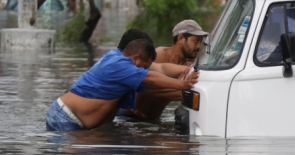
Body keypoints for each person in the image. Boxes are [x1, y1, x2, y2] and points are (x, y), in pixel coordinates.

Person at [45, 39, 199, 132]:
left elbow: (153, 89)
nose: (145, 70)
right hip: (66, 119)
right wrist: (183, 84)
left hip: (69, 117)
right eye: (144, 66)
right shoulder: (121, 65)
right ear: (136, 58)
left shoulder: (117, 58)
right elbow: (151, 78)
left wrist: (187, 92)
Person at [128, 20, 208, 120]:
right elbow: (146, 88)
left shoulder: (191, 65)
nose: (198, 46)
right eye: (195, 41)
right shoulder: (159, 55)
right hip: (128, 115)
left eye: (200, 42)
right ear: (181, 38)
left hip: (153, 120)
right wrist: (181, 87)